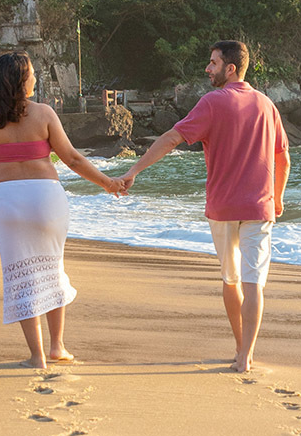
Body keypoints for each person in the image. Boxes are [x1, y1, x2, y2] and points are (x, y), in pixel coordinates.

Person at [118, 40, 290, 373]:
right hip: (259, 208)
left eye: (212, 63)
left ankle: (241, 347)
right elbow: (283, 158)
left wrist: (133, 171)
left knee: (231, 279)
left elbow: (171, 139)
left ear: (231, 68)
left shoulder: (212, 103)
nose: (207, 69)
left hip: (223, 208)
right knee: (254, 283)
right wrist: (278, 197)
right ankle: (246, 357)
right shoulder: (267, 105)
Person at [0, 51, 123, 368]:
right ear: (23, 80)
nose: (36, 78)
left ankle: (36, 356)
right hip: (46, 198)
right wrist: (108, 183)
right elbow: (73, 159)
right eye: (32, 74)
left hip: (6, 200)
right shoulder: (44, 114)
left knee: (21, 276)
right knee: (52, 269)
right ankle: (57, 348)